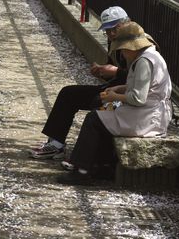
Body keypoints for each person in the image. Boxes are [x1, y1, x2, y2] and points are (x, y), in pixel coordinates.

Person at [57, 21, 172, 185]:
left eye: (123, 50)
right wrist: (121, 88)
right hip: (151, 115)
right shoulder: (152, 56)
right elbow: (145, 88)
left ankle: (81, 170)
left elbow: (139, 98)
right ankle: (102, 167)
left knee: (94, 119)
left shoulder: (144, 63)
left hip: (145, 118)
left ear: (130, 47)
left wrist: (114, 97)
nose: (123, 55)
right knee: (103, 118)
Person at [29, 6, 130, 159]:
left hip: (128, 97)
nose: (111, 34)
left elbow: (140, 78)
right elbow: (115, 72)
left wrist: (115, 72)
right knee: (69, 93)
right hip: (113, 89)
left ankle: (85, 161)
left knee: (98, 103)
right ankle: (56, 144)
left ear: (126, 24)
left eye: (114, 29)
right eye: (107, 30)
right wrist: (103, 72)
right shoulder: (114, 42)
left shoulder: (139, 44)